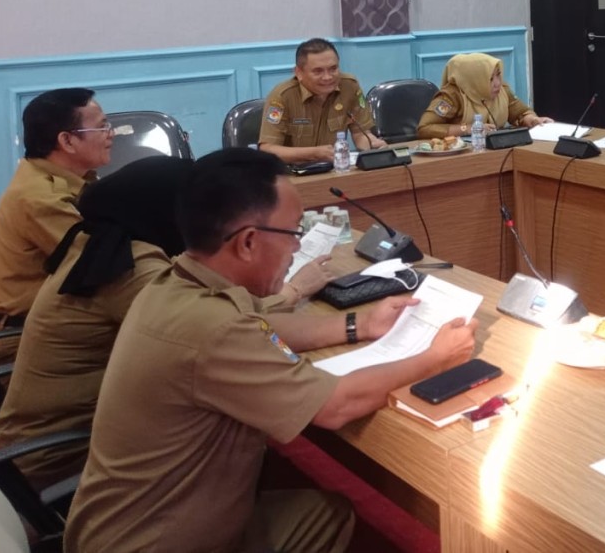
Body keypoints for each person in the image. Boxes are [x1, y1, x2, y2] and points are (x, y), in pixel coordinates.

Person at [64, 148, 479, 553]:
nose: (297, 248)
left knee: (322, 514)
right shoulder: (213, 328)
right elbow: (337, 406)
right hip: (153, 540)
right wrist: (434, 358)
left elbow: (262, 325)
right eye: (294, 232)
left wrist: (360, 325)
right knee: (328, 517)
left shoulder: (174, 284)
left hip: (119, 525)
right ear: (247, 242)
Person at [0, 156, 336, 488]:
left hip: (46, 442)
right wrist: (292, 291)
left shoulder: (99, 245)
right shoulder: (130, 270)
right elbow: (221, 322)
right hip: (61, 458)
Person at [0, 88, 114, 366]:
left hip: (41, 329)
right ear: (67, 141)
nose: (111, 134)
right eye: (102, 127)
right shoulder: (39, 197)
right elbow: (100, 267)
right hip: (13, 343)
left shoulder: (63, 178)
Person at [258, 37, 386, 164]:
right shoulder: (282, 96)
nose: (327, 77)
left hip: (334, 168)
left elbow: (360, 134)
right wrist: (313, 154)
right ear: (298, 73)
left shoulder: (349, 86)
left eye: (333, 69)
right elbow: (268, 150)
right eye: (318, 71)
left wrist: (373, 144)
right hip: (292, 171)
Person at [416, 53, 553, 141]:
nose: (497, 83)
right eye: (490, 78)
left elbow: (521, 113)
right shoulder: (451, 96)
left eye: (498, 75)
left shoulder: (502, 90)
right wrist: (468, 129)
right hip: (459, 157)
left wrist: (533, 120)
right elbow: (425, 128)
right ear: (476, 79)